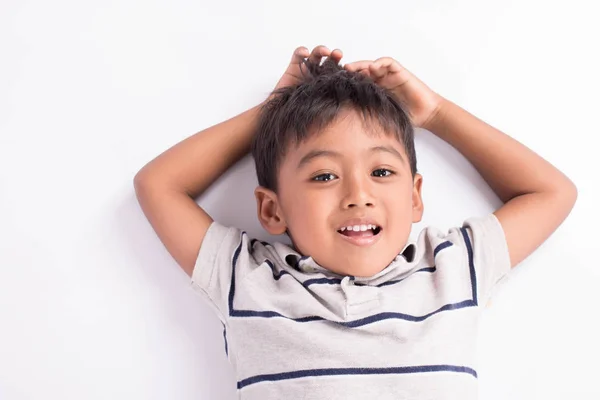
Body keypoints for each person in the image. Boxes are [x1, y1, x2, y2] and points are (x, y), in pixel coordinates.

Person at [133, 45, 577, 399]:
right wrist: (272, 111)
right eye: (324, 175)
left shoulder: (452, 269)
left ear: (415, 196)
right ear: (272, 210)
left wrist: (437, 114)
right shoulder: (249, 280)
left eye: (381, 172)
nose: (358, 196)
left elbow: (552, 193)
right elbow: (158, 185)